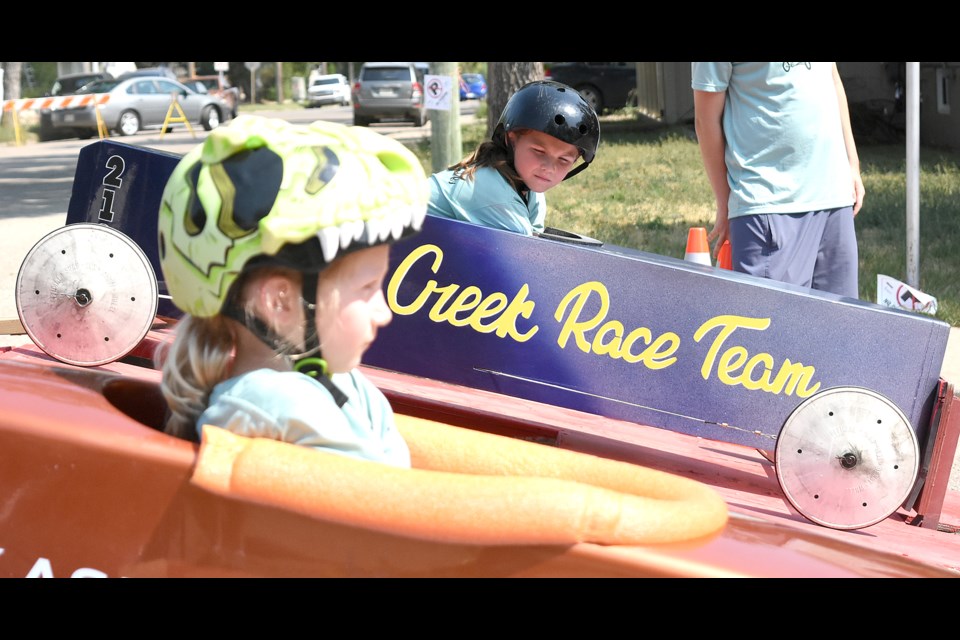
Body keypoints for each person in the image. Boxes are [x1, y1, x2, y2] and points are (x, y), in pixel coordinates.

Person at [154, 115, 427, 467]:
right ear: (280, 302)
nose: (384, 311)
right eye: (368, 288)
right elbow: (394, 507)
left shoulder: (343, 385)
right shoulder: (274, 405)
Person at [691, 62, 865, 298]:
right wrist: (725, 203)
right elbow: (706, 120)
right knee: (773, 329)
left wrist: (852, 164)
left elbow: (832, 78)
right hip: (769, 203)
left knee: (840, 328)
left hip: (834, 199)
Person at [427, 79, 600, 235]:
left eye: (563, 160)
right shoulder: (497, 199)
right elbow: (524, 261)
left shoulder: (529, 190)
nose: (549, 167)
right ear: (511, 139)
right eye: (539, 151)